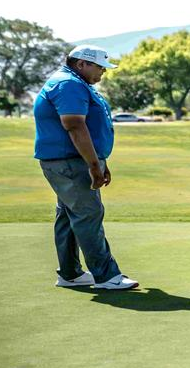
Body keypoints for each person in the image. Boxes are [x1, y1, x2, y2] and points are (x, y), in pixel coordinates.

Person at [33, 45, 138, 290]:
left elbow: (90, 127)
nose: (103, 72)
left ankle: (71, 274)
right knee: (88, 214)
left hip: (72, 160)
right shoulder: (68, 85)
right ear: (82, 64)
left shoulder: (75, 83)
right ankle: (106, 276)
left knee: (69, 216)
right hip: (70, 162)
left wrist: (101, 160)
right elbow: (74, 126)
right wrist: (93, 165)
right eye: (100, 67)